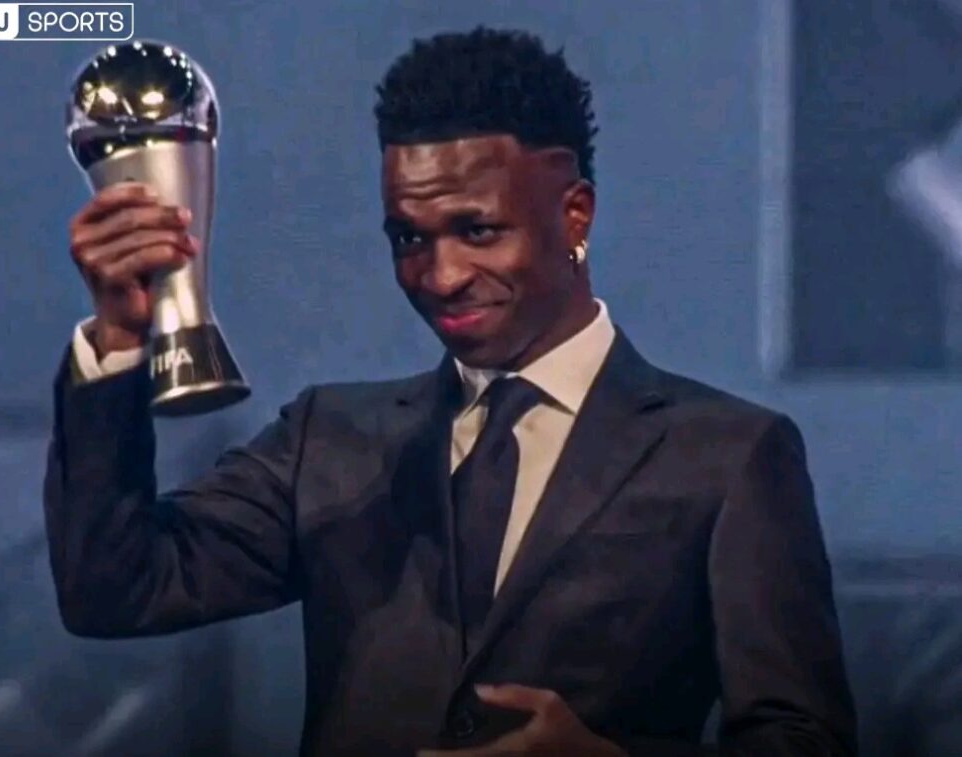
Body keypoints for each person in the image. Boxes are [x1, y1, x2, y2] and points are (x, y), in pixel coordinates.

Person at [46, 27, 857, 757]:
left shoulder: (725, 456)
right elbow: (115, 590)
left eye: (478, 231)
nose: (440, 276)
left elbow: (805, 737)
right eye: (409, 238)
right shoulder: (330, 440)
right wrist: (119, 337)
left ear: (575, 216)